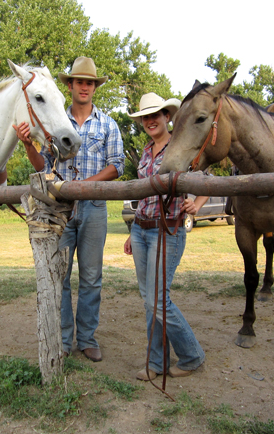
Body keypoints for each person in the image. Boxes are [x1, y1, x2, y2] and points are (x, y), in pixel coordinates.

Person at [14, 57, 125, 362]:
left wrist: (84, 187)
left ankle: (87, 338)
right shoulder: (55, 120)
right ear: (71, 86)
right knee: (59, 276)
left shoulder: (107, 124)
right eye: (80, 82)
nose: (85, 87)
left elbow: (117, 164)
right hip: (60, 212)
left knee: (91, 277)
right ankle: (63, 340)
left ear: (94, 87)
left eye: (90, 82)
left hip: (93, 209)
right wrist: (27, 146)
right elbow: (44, 166)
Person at [123, 92, 207, 380]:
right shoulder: (146, 152)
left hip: (167, 230)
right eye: (145, 117)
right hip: (141, 229)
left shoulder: (181, 146)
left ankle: (192, 355)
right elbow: (144, 194)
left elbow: (207, 181)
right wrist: (132, 229)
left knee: (158, 300)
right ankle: (156, 363)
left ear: (166, 117)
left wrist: (195, 203)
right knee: (150, 300)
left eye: (155, 115)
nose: (150, 121)